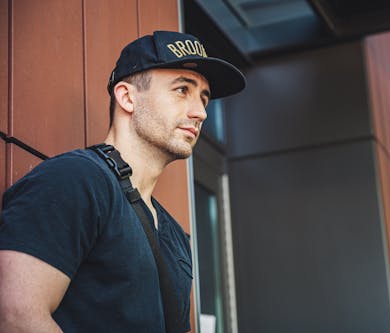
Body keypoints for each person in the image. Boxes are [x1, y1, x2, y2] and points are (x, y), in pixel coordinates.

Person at [0, 30, 245, 332]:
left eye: (203, 98)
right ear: (127, 97)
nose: (201, 113)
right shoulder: (76, 180)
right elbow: (15, 316)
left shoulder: (176, 236)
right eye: (182, 90)